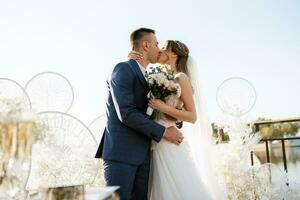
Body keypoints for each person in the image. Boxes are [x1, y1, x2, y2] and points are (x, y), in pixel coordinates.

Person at [95, 28, 184, 200]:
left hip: (145, 155)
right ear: (145, 45)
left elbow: (153, 111)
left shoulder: (151, 78)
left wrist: (174, 118)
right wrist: (164, 132)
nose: (159, 48)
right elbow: (126, 113)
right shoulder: (123, 69)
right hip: (122, 154)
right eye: (157, 44)